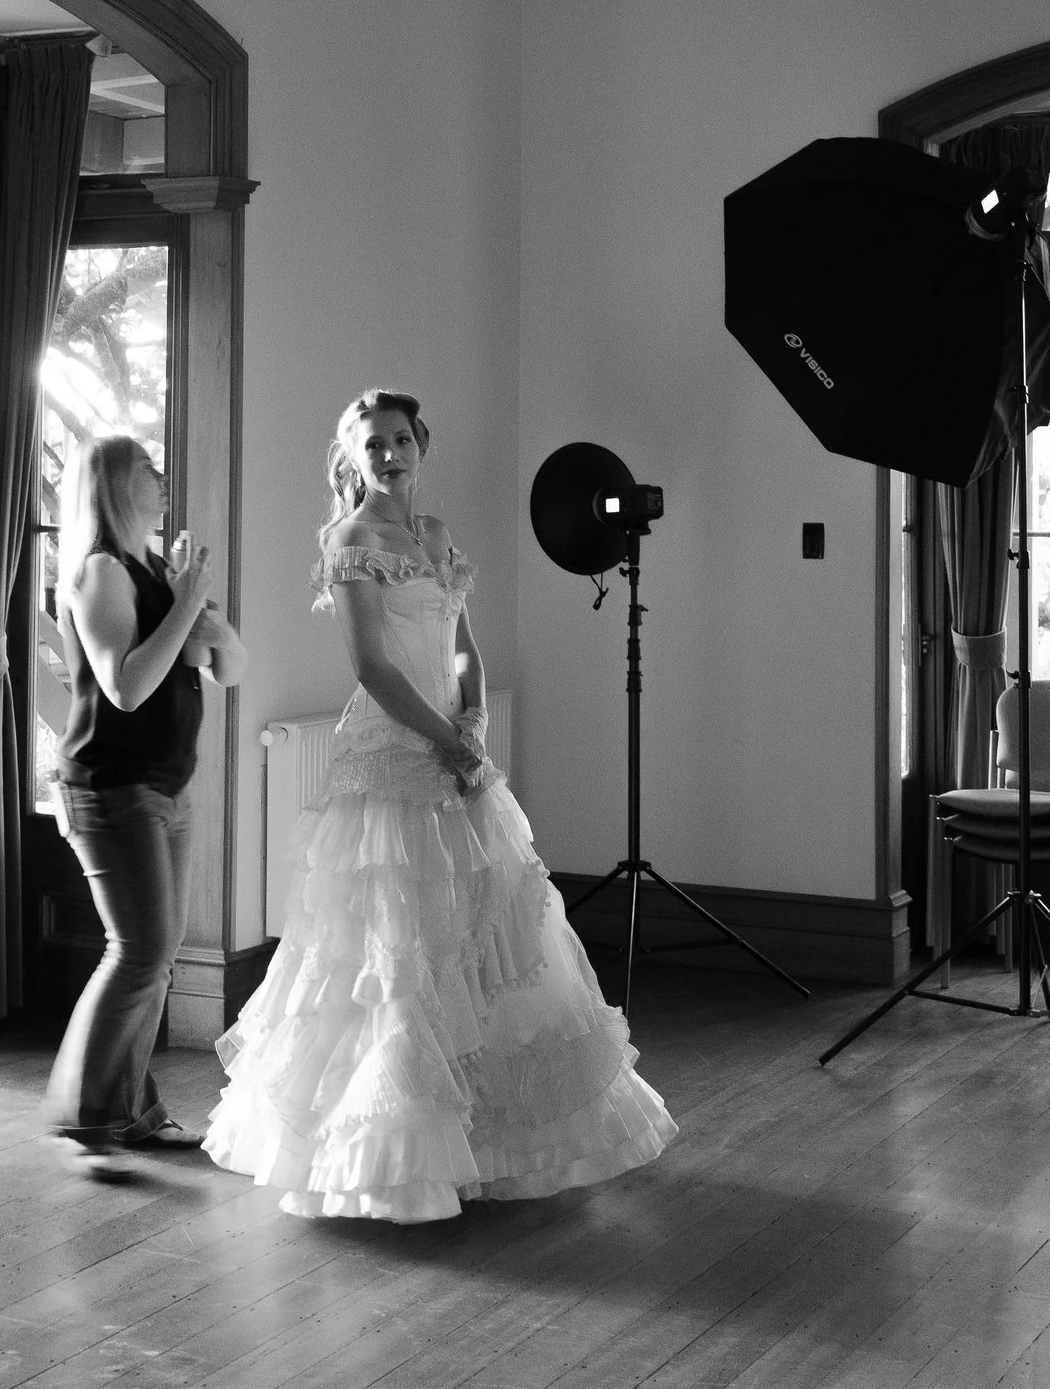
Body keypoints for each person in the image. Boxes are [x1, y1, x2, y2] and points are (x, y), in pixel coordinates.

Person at [203, 388, 677, 1219]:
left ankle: (488, 1139)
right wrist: (444, 739)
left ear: (421, 445)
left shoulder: (435, 537)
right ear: (353, 458)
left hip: (455, 751)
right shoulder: (350, 542)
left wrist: (477, 719)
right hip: (390, 755)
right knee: (396, 951)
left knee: (483, 936)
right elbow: (372, 669)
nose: (387, 455)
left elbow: (463, 643)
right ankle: (390, 1158)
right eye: (371, 444)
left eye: (399, 440)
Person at [46, 431, 246, 1151]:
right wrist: (188, 603)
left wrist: (203, 616)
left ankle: (126, 1109)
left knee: (153, 957)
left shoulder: (153, 566)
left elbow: (229, 669)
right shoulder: (102, 573)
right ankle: (88, 1112)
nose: (164, 477)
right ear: (113, 488)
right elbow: (126, 688)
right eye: (148, 469)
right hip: (110, 788)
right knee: (139, 951)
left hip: (164, 789)